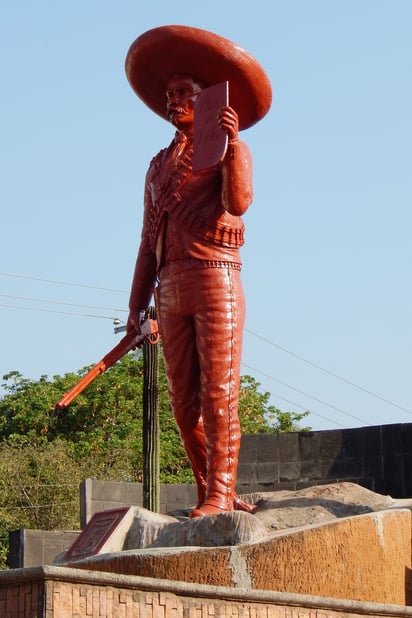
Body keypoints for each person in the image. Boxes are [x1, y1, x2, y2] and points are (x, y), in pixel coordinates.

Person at [125, 25, 271, 517]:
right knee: (184, 406)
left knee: (219, 393)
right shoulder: (156, 167)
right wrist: (134, 306)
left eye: (183, 92)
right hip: (171, 287)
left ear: (206, 98)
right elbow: (148, 243)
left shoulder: (232, 151)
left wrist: (230, 147)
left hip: (215, 278)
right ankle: (212, 487)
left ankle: (217, 494)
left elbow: (238, 203)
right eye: (169, 95)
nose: (173, 102)